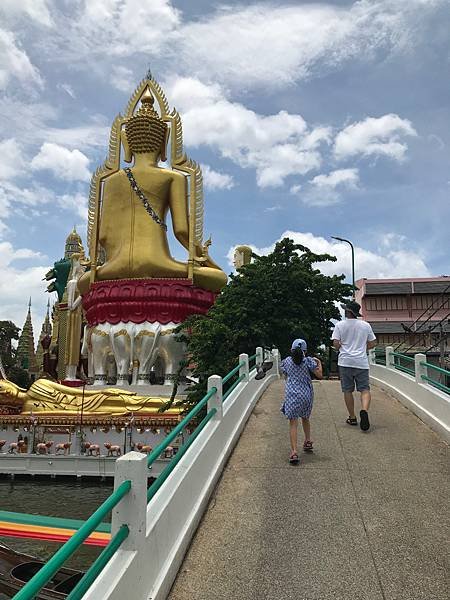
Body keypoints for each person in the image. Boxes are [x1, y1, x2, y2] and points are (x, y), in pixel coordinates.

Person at [331, 301, 377, 431]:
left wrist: (341, 347)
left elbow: (335, 343)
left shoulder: (339, 325)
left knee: (347, 390)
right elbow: (373, 343)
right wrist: (362, 348)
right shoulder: (365, 325)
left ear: (348, 312)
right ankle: (364, 410)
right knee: (364, 389)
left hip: (345, 362)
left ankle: (352, 417)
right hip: (361, 362)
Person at [280, 339, 323, 465]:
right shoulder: (308, 361)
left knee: (293, 423)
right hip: (306, 395)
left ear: (291, 350)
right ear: (305, 351)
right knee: (305, 418)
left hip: (291, 395)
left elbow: (284, 373)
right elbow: (319, 375)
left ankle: (294, 452)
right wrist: (319, 362)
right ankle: (308, 440)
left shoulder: (287, 361)